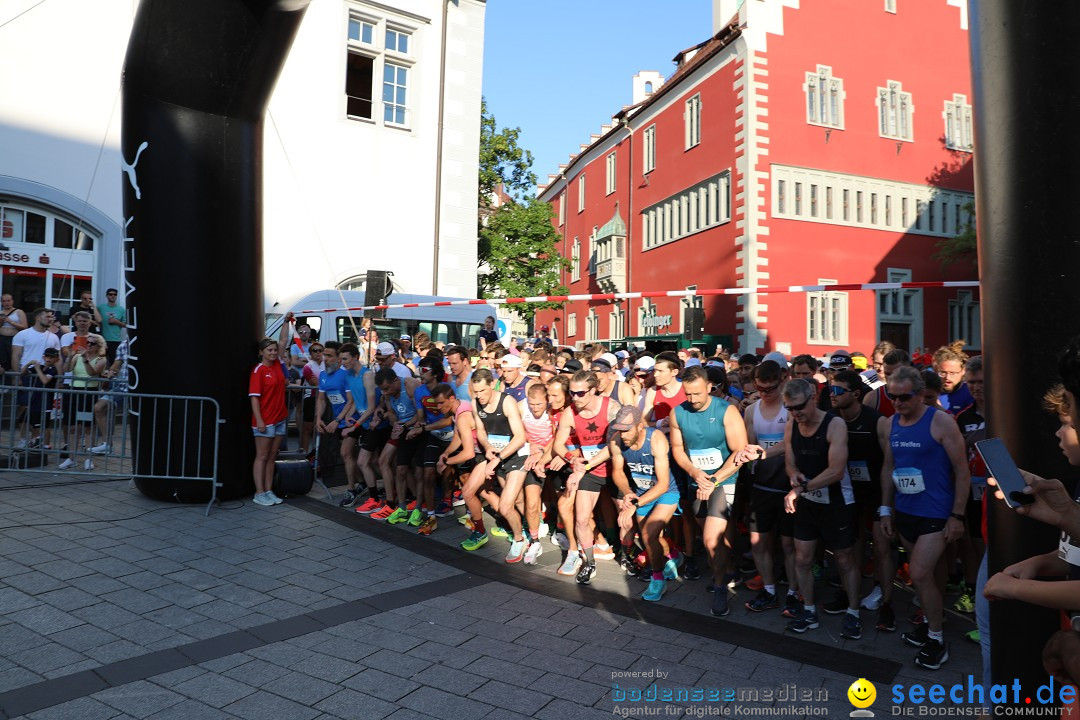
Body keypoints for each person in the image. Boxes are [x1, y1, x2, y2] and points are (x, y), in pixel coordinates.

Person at [880, 366, 970, 669]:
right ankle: (931, 623)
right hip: (906, 511)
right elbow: (889, 468)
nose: (898, 403)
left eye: (904, 397)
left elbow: (962, 470)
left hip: (936, 512)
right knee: (926, 575)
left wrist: (957, 515)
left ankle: (937, 638)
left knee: (918, 573)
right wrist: (885, 509)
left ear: (920, 395)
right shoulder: (892, 423)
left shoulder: (941, 422)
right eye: (892, 397)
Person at [778, 378, 861, 639]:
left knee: (844, 559)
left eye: (799, 407)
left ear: (813, 398)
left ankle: (853, 612)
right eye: (789, 409)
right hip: (808, 500)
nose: (795, 413)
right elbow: (790, 462)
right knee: (802, 558)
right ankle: (809, 610)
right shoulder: (792, 424)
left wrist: (801, 488)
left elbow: (836, 471)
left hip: (836, 501)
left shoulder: (834, 424)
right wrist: (794, 477)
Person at [669, 365, 747, 616]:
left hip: (724, 481)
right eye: (687, 394)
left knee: (712, 538)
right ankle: (729, 567)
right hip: (697, 481)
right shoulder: (678, 412)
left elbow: (740, 452)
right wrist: (695, 473)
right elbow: (678, 450)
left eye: (697, 394)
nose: (691, 400)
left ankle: (720, 586)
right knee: (714, 537)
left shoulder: (727, 411)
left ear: (709, 388)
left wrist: (714, 480)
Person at [828, 369, 894, 631]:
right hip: (848, 491)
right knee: (849, 547)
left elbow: (889, 464)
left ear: (855, 394)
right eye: (830, 390)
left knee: (881, 548)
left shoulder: (877, 421)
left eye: (837, 391)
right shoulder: (833, 419)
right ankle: (849, 594)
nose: (831, 395)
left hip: (876, 491)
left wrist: (888, 504)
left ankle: (887, 604)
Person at [742, 360, 799, 616]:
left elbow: (790, 444)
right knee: (758, 542)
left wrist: (763, 454)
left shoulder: (790, 409)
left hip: (787, 485)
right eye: (760, 389)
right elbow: (750, 446)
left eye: (770, 389)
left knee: (789, 545)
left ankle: (792, 593)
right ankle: (769, 589)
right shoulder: (751, 411)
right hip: (762, 484)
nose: (765, 393)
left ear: (783, 380)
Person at [552, 369, 621, 583]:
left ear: (593, 390)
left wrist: (585, 466)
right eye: (572, 393)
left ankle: (627, 555)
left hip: (614, 467)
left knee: (626, 518)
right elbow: (557, 444)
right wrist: (572, 460)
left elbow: (614, 446)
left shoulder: (611, 407)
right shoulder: (570, 413)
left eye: (580, 393)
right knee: (581, 519)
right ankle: (589, 562)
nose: (575, 398)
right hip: (590, 470)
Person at [609, 405, 680, 602]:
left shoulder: (655, 439)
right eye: (619, 429)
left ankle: (657, 579)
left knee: (648, 534)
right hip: (641, 492)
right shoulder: (616, 441)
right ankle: (673, 554)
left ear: (640, 425)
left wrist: (634, 504)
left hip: (666, 492)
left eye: (627, 429)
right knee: (651, 539)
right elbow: (618, 472)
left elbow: (663, 483)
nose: (622, 434)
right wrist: (628, 492)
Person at [59, 333, 107, 470]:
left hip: (89, 393)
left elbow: (92, 373)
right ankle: (71, 458)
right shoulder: (77, 356)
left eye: (92, 343)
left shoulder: (100, 359)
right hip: (75, 392)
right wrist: (69, 356)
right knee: (73, 427)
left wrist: (86, 358)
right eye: (88, 342)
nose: (89, 345)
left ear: (98, 346)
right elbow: (66, 370)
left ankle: (88, 458)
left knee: (87, 427)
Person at [249, 338, 287, 506]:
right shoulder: (258, 370)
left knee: (272, 456)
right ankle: (259, 493)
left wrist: (286, 322)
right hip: (265, 420)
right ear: (261, 352)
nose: (272, 352)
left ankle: (268, 490)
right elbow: (254, 399)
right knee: (262, 456)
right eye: (269, 350)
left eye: (274, 350)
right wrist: (259, 420)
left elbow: (284, 340)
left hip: (280, 418)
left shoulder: (277, 364)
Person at [933, 340, 974, 415]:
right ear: (936, 371)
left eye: (952, 373)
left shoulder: (971, 393)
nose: (947, 377)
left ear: (963, 371)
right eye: (943, 372)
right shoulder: (930, 394)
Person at [97, 288, 127, 365]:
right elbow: (95, 319)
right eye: (110, 294)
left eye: (115, 294)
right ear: (107, 296)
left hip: (115, 340)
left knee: (113, 363)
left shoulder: (121, 309)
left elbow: (126, 325)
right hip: (102, 339)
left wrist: (116, 322)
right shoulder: (101, 307)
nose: (113, 296)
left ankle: (112, 377)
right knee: (99, 362)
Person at [0, 293, 27, 372]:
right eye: (4, 301)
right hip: (1, 338)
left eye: (8, 301)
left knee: (14, 358)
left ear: (12, 301)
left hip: (13, 338)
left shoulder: (19, 312)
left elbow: (25, 326)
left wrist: (10, 322)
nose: (6, 303)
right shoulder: (0, 312)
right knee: (2, 359)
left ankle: (14, 379)